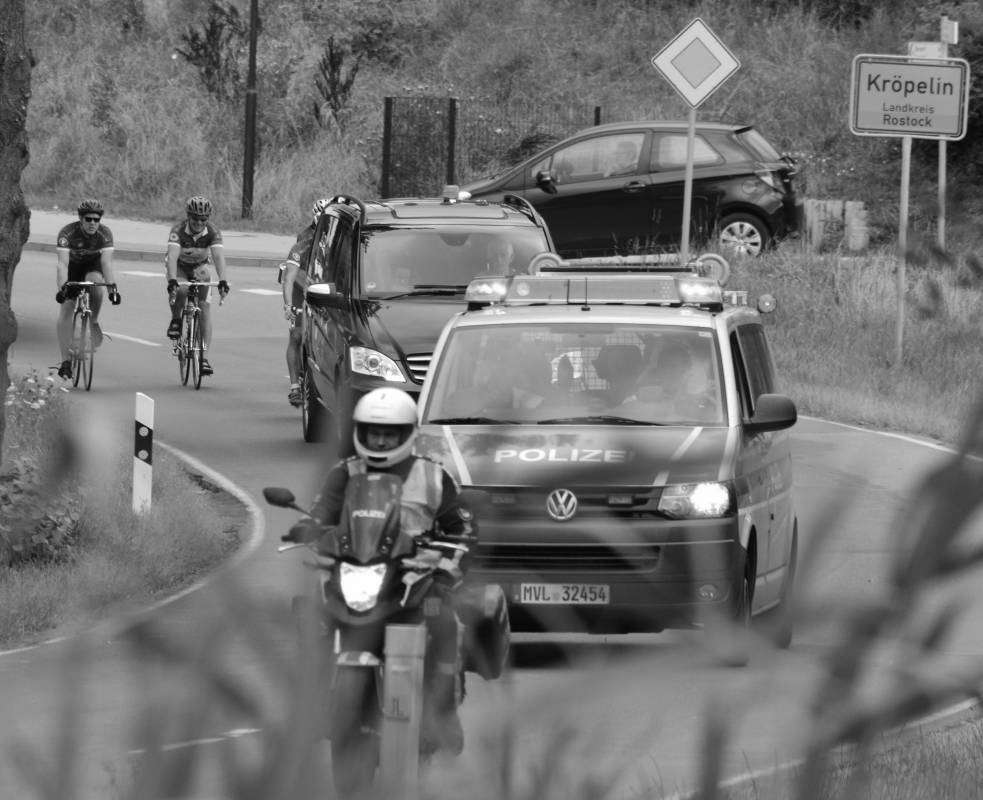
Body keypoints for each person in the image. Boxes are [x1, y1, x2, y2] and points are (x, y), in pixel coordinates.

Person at [284, 387, 472, 754]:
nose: (381, 440)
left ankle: (442, 713)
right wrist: (307, 527)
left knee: (445, 620)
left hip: (414, 576)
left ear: (406, 434)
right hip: (356, 568)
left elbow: (461, 528)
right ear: (361, 433)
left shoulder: (434, 476)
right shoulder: (344, 473)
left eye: (389, 433)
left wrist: (448, 560)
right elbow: (321, 514)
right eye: (374, 432)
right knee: (309, 613)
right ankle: (311, 705)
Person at [54, 199, 122, 380]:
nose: (93, 223)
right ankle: (65, 361)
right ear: (80, 219)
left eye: (96, 219)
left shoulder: (105, 233)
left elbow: (107, 263)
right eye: (88, 219)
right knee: (66, 310)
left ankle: (93, 322)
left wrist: (112, 289)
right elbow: (62, 264)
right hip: (72, 268)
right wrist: (63, 289)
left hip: (93, 266)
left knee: (96, 284)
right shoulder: (67, 233)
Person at [165, 196, 230, 376]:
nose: (199, 223)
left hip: (199, 267)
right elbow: (171, 257)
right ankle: (176, 319)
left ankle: (204, 359)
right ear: (188, 216)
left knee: (205, 308)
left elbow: (218, 257)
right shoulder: (178, 230)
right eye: (195, 219)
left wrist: (223, 280)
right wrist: (172, 281)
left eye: (203, 219)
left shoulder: (213, 232)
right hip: (179, 266)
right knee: (183, 289)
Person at [279, 197, 331, 407]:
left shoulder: (338, 240)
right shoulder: (305, 240)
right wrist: (288, 305)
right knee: (297, 335)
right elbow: (289, 277)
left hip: (323, 290)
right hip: (302, 289)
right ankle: (294, 387)